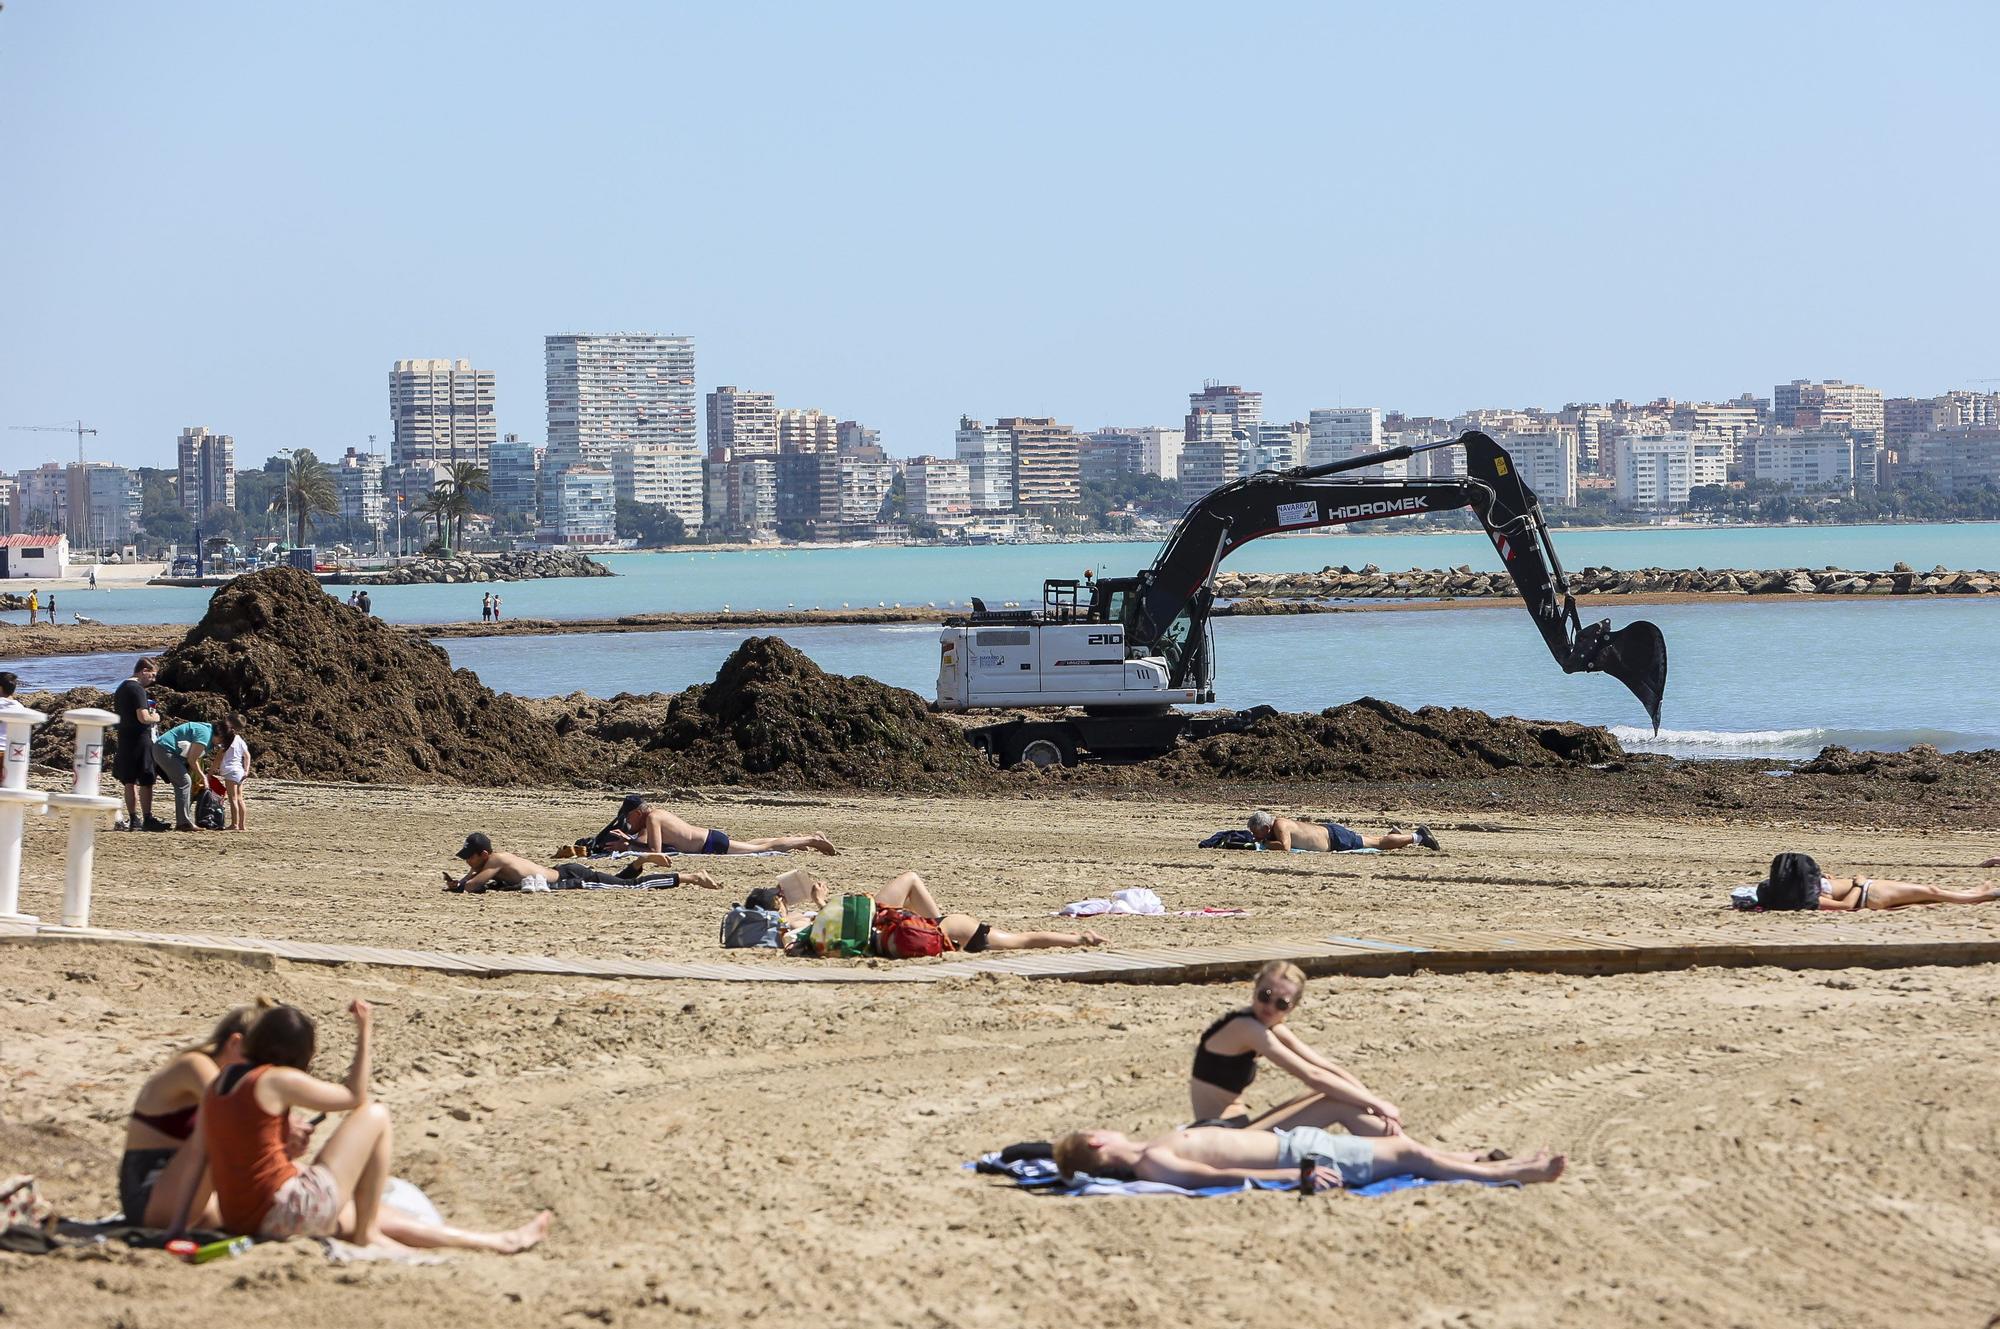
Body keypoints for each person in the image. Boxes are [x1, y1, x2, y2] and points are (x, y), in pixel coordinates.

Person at [171, 1000, 551, 1253]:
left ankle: (495, 1241)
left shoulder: (219, 1084)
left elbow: (198, 1160)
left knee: (351, 1198)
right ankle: (368, 1234)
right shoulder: (274, 1079)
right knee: (377, 1115)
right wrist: (365, 1029)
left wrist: (177, 1227)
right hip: (284, 1213)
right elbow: (354, 1097)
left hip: (242, 1217)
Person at [1188, 961, 1412, 1135]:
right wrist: (1377, 1104)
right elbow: (1313, 1076)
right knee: (1336, 1103)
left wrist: (1374, 1104)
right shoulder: (1246, 1026)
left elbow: (1325, 1067)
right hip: (1219, 1135)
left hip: (1235, 1128)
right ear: (1254, 990)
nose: (1269, 1006)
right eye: (1265, 996)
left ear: (1292, 1007)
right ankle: (1400, 1147)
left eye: (1281, 1003)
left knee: (1337, 1094)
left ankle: (1395, 1140)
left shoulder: (1267, 1025)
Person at [1051, 1123, 1563, 1192]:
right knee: (1411, 1154)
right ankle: (1512, 1173)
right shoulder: (1152, 1164)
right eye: (1097, 1129)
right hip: (1303, 1153)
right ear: (1099, 1143)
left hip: (1298, 1141)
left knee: (1413, 1153)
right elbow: (1219, 1173)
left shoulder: (1149, 1149)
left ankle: (1481, 1159)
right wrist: (1299, 1174)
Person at [120, 1001, 274, 1227]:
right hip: (150, 1195)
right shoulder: (194, 1064)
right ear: (235, 1043)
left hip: (188, 1195)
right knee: (224, 1126)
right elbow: (231, 1108)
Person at [783, 868, 1108, 952]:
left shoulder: (811, 936)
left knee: (1014, 941)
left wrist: (812, 908)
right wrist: (820, 902)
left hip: (920, 932)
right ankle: (1077, 938)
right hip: (938, 926)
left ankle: (1078, 939)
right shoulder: (817, 930)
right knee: (1016, 941)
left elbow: (838, 925)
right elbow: (842, 918)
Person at [444, 831, 722, 893]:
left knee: (631, 888)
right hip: (566, 871)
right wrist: (462, 879)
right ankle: (639, 862)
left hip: (570, 879)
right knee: (622, 883)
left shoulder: (494, 860)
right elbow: (472, 879)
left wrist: (461, 883)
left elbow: (473, 887)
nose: (467, 862)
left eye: (469, 858)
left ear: (482, 854)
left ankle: (690, 877)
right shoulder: (494, 860)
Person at [1743, 852, 2000, 911]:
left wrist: (1825, 879)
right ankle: (1980, 897)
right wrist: (1858, 884)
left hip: (1869, 889)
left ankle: (1970, 893)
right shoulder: (1806, 899)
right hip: (1868, 893)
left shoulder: (1792, 888)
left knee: (1926, 895)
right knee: (1929, 891)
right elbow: (1847, 907)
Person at [607, 793, 837, 857]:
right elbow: (648, 844)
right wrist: (628, 842)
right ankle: (802, 838)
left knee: (764, 849)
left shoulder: (653, 818)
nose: (628, 824)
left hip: (709, 844)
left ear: (637, 813)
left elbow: (655, 852)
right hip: (710, 838)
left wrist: (628, 847)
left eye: (628, 819)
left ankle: (812, 840)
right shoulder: (655, 815)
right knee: (750, 845)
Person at [113, 658, 169, 832]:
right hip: (140, 738)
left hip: (124, 737)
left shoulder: (122, 688)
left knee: (129, 780)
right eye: (151, 675)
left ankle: (133, 817)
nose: (153, 680)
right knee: (146, 779)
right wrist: (156, 717)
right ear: (143, 671)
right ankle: (147, 817)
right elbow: (143, 717)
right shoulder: (137, 689)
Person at [154, 715, 231, 832]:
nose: (219, 744)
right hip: (165, 750)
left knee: (185, 783)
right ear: (220, 735)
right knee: (185, 782)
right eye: (221, 741)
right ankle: (183, 823)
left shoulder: (207, 731)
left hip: (168, 752)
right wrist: (203, 777)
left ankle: (184, 820)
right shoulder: (205, 735)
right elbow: (192, 759)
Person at [1247, 810, 1440, 853]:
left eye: (1257, 833)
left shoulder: (1280, 826)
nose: (1255, 837)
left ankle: (1419, 837)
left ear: (1266, 827)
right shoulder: (1279, 824)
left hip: (1334, 839)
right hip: (1330, 833)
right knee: (1374, 840)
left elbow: (1285, 847)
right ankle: (1396, 835)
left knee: (1378, 844)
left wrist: (1263, 844)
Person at [216, 713, 252, 832]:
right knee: (240, 798)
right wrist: (246, 770)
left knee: (233, 799)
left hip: (230, 771)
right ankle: (242, 825)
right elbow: (247, 755)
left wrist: (211, 771)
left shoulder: (227, 739)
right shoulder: (239, 739)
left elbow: (220, 756)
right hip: (240, 771)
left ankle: (234, 824)